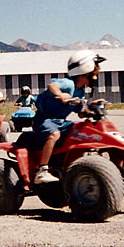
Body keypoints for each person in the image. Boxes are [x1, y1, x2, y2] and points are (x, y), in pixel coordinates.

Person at [31, 50, 106, 184]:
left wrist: (90, 109)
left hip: (61, 122)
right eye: (94, 73)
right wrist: (60, 95)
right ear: (86, 70)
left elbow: (80, 112)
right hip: (44, 120)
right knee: (54, 134)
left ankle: (71, 165)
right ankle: (42, 171)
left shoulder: (80, 90)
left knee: (82, 129)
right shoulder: (68, 84)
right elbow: (52, 85)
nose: (95, 78)